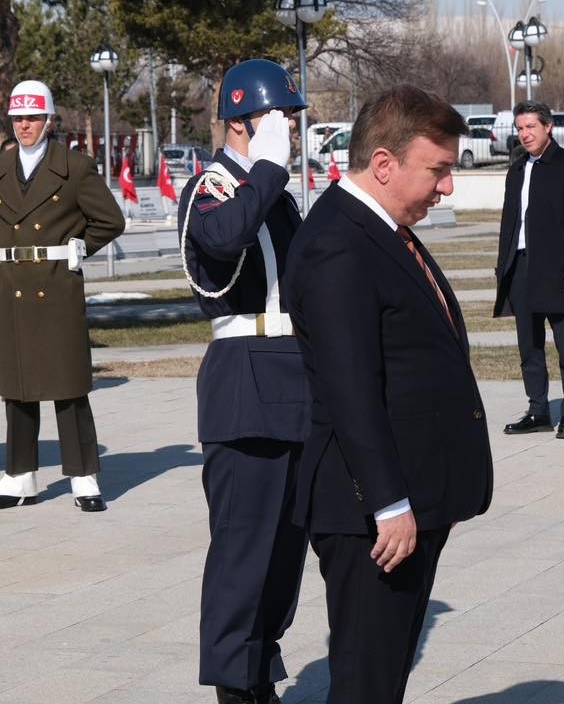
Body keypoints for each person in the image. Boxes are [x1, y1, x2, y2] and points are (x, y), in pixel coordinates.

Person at [283, 85, 493, 704]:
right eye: (438, 170)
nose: (447, 186)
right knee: (366, 683)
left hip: (407, 500)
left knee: (383, 677)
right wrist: (389, 502)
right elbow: (349, 388)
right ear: (383, 163)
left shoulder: (380, 229)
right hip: (370, 514)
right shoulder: (338, 243)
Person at [178, 59, 311, 704]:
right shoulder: (213, 187)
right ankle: (235, 686)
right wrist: (267, 169)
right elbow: (224, 240)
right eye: (278, 117)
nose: (290, 128)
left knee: (285, 552)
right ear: (240, 123)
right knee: (243, 551)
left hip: (295, 379)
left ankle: (260, 674)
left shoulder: (274, 193)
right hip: (246, 381)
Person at [0, 79, 125, 512]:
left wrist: (80, 247)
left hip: (57, 284)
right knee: (17, 386)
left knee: (68, 383)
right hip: (13, 287)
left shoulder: (75, 166)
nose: (24, 126)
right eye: (18, 118)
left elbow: (110, 220)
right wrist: (6, 244)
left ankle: (83, 475)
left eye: (33, 118)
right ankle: (20, 476)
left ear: (50, 120)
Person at [495, 101, 564, 440]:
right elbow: (509, 223)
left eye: (530, 127)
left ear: (548, 126)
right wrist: (503, 268)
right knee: (529, 346)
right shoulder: (517, 170)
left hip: (558, 271)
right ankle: (538, 411)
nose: (525, 134)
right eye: (520, 128)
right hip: (521, 267)